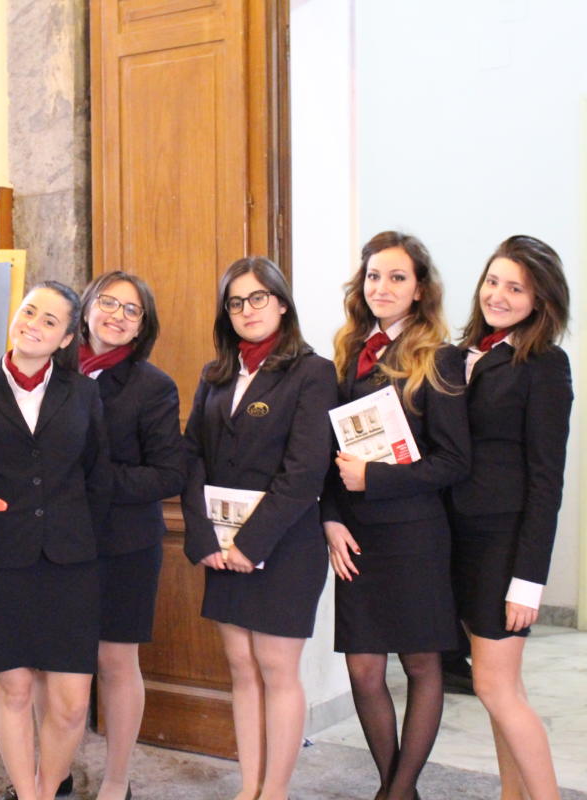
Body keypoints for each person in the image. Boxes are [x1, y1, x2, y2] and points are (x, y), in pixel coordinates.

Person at [0, 281, 112, 800]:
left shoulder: (83, 393)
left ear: (65, 339)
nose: (33, 325)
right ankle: (28, 793)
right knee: (14, 689)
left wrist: (88, 544)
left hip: (72, 561)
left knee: (71, 701)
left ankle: (48, 785)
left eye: (49, 321)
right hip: (2, 560)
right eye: (28, 312)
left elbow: (98, 479)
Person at [181, 257, 336, 800]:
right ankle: (249, 787)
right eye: (236, 302)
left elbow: (304, 472)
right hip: (221, 546)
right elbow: (192, 457)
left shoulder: (313, 373)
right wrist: (203, 537)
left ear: (282, 303)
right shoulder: (215, 374)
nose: (247, 310)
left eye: (258, 298)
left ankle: (275, 791)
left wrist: (251, 544)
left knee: (276, 669)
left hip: (284, 544)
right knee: (241, 667)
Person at [323, 231, 470, 800]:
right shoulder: (347, 353)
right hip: (358, 534)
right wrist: (330, 517)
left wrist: (376, 478)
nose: (382, 287)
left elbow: (454, 462)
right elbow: (326, 452)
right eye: (374, 276)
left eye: (397, 277)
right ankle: (398, 790)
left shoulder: (440, 357)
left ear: (419, 290)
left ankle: (396, 791)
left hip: (415, 535)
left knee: (421, 664)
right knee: (363, 668)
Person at [448, 234, 572, 800]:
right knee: (500, 688)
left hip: (502, 544)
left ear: (540, 300)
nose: (497, 295)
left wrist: (529, 579)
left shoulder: (545, 363)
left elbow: (547, 480)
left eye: (515, 288)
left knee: (496, 689)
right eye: (492, 281)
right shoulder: (467, 353)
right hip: (461, 538)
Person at [77, 271, 185, 800]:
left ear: (142, 326)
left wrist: (93, 481)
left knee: (116, 662)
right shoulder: (50, 370)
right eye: (108, 302)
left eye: (131, 310)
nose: (117, 316)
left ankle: (116, 780)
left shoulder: (153, 386)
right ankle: (53, 771)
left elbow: (168, 474)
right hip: (54, 541)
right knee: (55, 664)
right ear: (87, 308)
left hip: (124, 544)